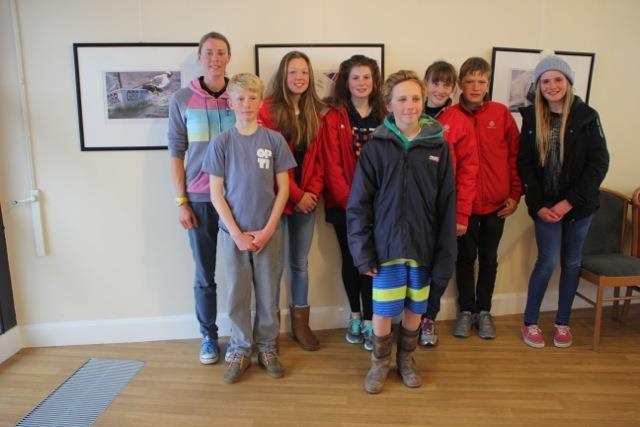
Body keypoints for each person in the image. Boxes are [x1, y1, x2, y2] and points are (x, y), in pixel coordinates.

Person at [347, 70, 457, 394]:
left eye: (415, 99)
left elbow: (447, 205)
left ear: (423, 102)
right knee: (383, 310)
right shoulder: (376, 147)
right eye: (402, 99)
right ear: (389, 104)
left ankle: (406, 359)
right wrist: (363, 251)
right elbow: (358, 205)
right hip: (386, 249)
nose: (409, 105)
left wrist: (444, 254)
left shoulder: (439, 148)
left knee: (414, 310)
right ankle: (380, 363)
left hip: (423, 248)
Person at [202, 73, 296, 383]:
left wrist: (268, 229)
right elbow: (216, 193)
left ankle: (267, 347)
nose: (246, 104)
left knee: (268, 294)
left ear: (260, 101)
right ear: (230, 102)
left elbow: (283, 190)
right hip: (233, 236)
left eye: (252, 98)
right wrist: (237, 234)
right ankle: (240, 349)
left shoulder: (273, 140)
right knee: (237, 295)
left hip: (268, 233)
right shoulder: (222, 143)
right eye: (240, 98)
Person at [517, 55, 609, 348]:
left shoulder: (587, 116)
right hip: (545, 207)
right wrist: (539, 205)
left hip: (579, 207)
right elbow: (526, 165)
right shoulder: (531, 118)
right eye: (545, 81)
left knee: (571, 263)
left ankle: (562, 323)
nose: (552, 85)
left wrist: (568, 202)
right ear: (539, 86)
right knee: (546, 262)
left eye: (558, 79)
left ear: (568, 83)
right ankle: (530, 322)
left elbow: (598, 164)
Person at [168, 32, 235, 365]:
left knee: (241, 272)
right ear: (199, 56)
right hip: (199, 199)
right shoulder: (182, 99)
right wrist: (181, 201)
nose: (215, 58)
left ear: (229, 57)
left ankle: (241, 335)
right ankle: (209, 336)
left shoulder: (239, 97)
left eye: (221, 52)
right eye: (209, 52)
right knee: (204, 274)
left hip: (238, 198)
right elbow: (176, 153)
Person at [450, 57, 522, 340]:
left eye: (481, 81)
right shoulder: (451, 117)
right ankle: (465, 311)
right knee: (465, 259)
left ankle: (484, 311)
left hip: (496, 205)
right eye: (470, 81)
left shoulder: (501, 114)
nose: (476, 87)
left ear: (488, 83)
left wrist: (515, 194)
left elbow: (516, 157)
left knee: (489, 259)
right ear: (460, 84)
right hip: (464, 207)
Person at [258, 51, 325, 351]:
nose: (299, 77)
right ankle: (269, 331)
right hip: (276, 200)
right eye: (293, 72)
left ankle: (301, 324)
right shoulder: (267, 110)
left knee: (300, 264)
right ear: (283, 76)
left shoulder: (315, 111)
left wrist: (310, 193)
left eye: (304, 73)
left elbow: (320, 160)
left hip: (307, 201)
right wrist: (296, 195)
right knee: (275, 266)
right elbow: (268, 160)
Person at [320, 55, 385, 351]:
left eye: (367, 77)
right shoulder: (334, 117)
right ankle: (355, 316)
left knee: (372, 264)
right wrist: (353, 206)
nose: (361, 83)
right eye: (356, 77)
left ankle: (373, 322)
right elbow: (331, 165)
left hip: (381, 206)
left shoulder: (386, 115)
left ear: (375, 81)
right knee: (350, 261)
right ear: (346, 82)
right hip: (344, 205)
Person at [419, 61, 479, 347]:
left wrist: (462, 213)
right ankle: (412, 318)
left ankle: (429, 318)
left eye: (446, 84)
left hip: (447, 207)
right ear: (425, 82)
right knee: (415, 263)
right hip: (416, 207)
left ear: (453, 88)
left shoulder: (460, 121)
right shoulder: (410, 112)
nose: (440, 89)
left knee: (442, 266)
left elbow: (469, 171)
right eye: (435, 82)